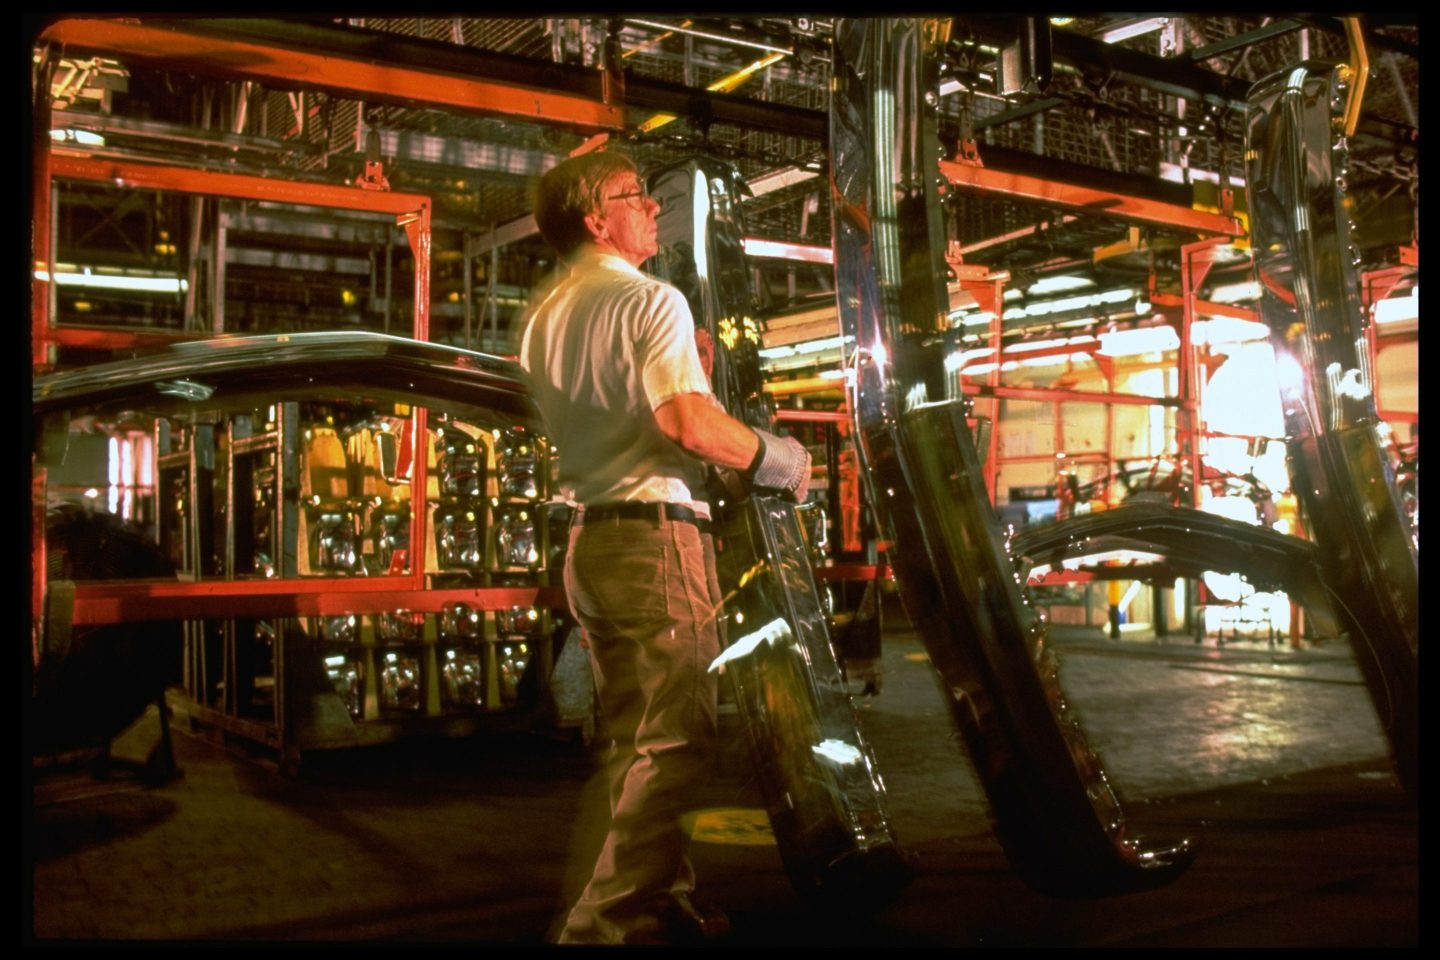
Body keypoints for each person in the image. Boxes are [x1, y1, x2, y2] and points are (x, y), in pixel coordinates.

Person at [519, 150, 810, 945]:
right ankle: (608, 927)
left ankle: (664, 893)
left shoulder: (548, 315)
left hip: (589, 548)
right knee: (678, 741)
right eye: (632, 197)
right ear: (594, 217)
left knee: (634, 739)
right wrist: (780, 459)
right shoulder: (651, 300)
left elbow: (619, 418)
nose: (651, 207)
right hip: (653, 545)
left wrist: (693, 380)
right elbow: (687, 429)